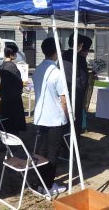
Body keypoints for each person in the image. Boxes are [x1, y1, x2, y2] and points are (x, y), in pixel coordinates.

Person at [33, 37, 68, 195]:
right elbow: (64, 99)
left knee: (42, 151)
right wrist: (68, 117)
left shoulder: (39, 69)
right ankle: (48, 186)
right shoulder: (57, 73)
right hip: (55, 118)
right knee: (53, 153)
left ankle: (41, 183)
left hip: (42, 115)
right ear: (57, 52)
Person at [62, 33, 89, 138]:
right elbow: (83, 78)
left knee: (65, 119)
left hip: (63, 91)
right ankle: (73, 148)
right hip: (76, 92)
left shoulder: (63, 55)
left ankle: (64, 145)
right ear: (80, 45)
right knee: (75, 120)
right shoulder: (79, 58)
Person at [0, 45, 26, 136]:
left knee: (5, 118)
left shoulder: (2, 65)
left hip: (4, 95)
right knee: (13, 120)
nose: (16, 55)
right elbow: (18, 82)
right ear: (11, 54)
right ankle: (13, 137)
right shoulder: (12, 66)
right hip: (13, 97)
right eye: (15, 53)